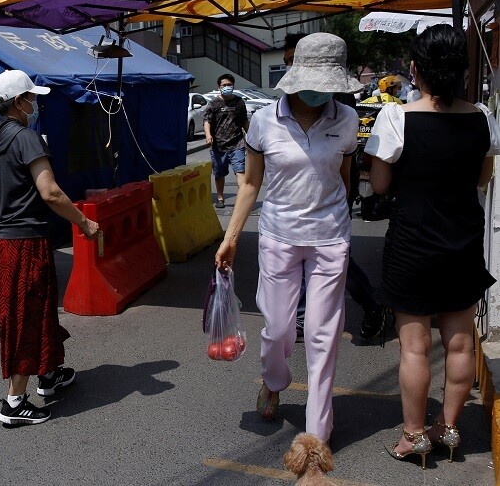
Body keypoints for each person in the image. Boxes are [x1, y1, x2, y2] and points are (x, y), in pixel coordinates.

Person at [214, 33, 362, 443]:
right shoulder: (264, 120)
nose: (320, 92)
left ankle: (317, 431)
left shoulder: (347, 120)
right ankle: (273, 380)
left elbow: (345, 183)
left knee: (322, 333)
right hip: (279, 235)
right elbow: (250, 185)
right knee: (278, 329)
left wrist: (336, 225)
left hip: (330, 240)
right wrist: (230, 238)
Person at [365, 24, 500, 468]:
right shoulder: (482, 115)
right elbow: (482, 179)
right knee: (460, 344)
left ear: (415, 69)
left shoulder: (396, 117)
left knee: (415, 347)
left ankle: (413, 436)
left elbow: (381, 184)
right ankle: (449, 428)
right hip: (462, 241)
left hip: (413, 243)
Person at [0, 69, 101, 426]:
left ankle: (49, 372)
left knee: (37, 308)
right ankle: (15, 402)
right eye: (32, 98)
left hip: (2, 240)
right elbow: (50, 192)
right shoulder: (26, 138)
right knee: (27, 314)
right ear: (18, 103)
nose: (36, 103)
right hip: (23, 240)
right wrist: (84, 222)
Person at [284, 36, 386, 343]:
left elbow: (343, 157)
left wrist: (342, 198)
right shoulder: (282, 105)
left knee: (341, 262)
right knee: (299, 260)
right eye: (288, 62)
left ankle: (372, 305)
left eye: (293, 60)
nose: (290, 67)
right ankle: (302, 317)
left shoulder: (338, 101)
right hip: (295, 205)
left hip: (331, 199)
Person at [203, 73, 249, 209]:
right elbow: (207, 121)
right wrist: (208, 135)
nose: (227, 87)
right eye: (224, 85)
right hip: (219, 145)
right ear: (219, 87)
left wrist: (251, 135)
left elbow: (244, 121)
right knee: (219, 173)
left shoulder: (239, 102)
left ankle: (241, 200)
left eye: (229, 85)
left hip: (237, 143)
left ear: (233, 85)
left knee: (240, 172)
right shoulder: (214, 103)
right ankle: (220, 198)